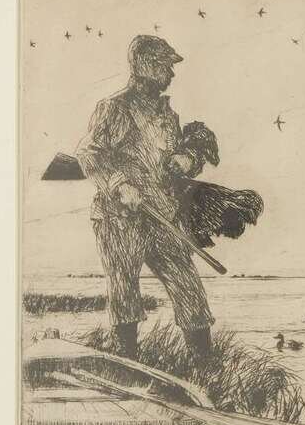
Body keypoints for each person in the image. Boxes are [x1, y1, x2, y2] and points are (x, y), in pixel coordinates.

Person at [74, 35, 220, 360]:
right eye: (166, 66)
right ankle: (127, 364)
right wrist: (119, 184)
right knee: (124, 293)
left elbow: (177, 157)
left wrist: (187, 159)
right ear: (147, 66)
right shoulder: (115, 107)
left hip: (163, 216)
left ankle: (206, 366)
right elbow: (88, 153)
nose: (172, 73)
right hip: (120, 219)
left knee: (189, 289)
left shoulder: (167, 113)